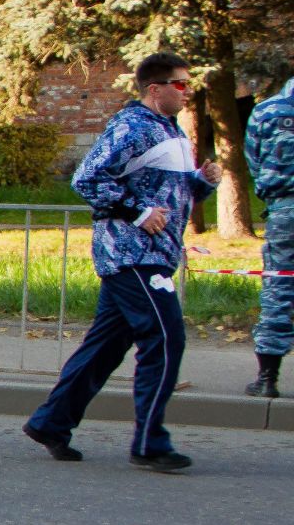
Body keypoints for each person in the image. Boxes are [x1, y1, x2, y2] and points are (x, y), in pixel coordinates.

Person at [24, 52, 220, 470]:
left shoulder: (168, 131)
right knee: (166, 339)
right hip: (132, 254)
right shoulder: (133, 127)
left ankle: (51, 422)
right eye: (180, 84)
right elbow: (86, 179)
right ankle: (150, 443)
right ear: (156, 89)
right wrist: (137, 212)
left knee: (106, 347)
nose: (187, 92)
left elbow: (171, 198)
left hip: (154, 254)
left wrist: (202, 183)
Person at [243, 60, 293, 398]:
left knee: (279, 287)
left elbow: (253, 160)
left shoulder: (266, 110)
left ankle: (267, 379)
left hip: (284, 211)